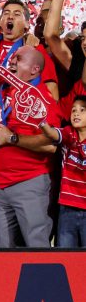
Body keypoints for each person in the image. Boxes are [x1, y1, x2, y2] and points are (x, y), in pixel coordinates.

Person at [0, 46, 62, 247]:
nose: (12, 61)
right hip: (1, 184)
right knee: (5, 254)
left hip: (28, 182)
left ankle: (44, 280)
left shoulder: (42, 99)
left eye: (19, 59)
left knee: (36, 247)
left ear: (34, 69)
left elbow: (52, 145)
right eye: (12, 57)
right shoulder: (7, 91)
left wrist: (12, 139)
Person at [41, 96, 86, 246]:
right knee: (66, 256)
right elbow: (52, 133)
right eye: (73, 110)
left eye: (82, 110)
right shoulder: (69, 133)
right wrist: (42, 122)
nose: (76, 114)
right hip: (67, 208)